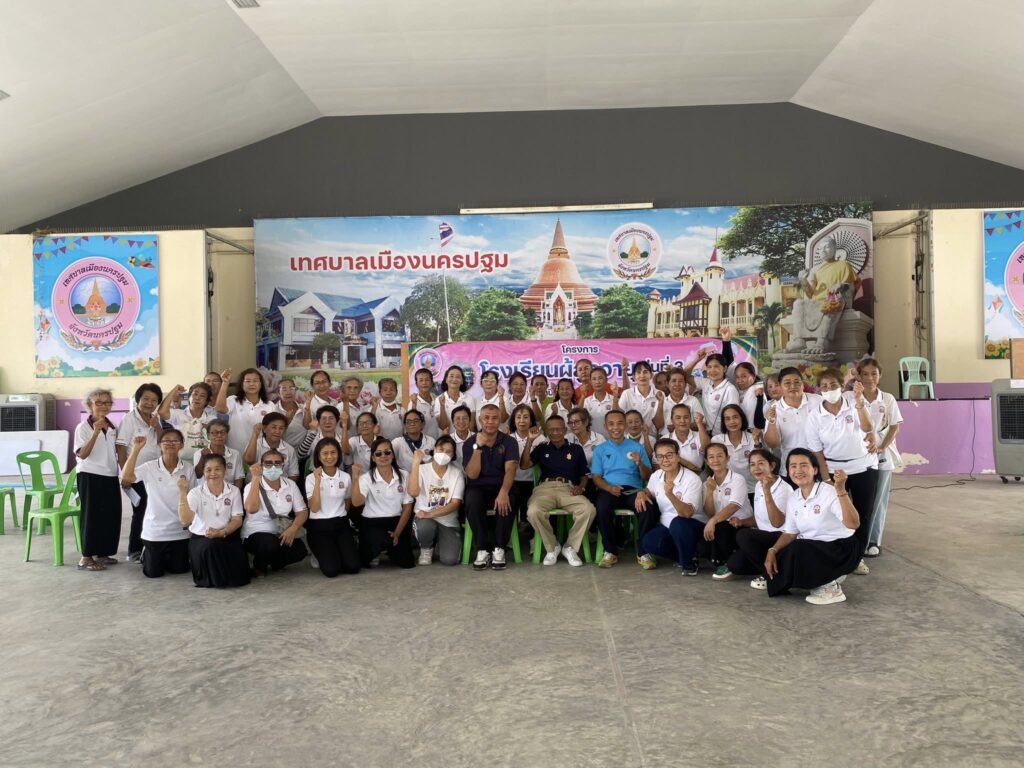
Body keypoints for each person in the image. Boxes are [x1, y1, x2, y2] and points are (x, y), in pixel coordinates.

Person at [763, 449, 860, 605]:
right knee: (773, 548)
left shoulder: (830, 492)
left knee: (798, 547)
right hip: (812, 547)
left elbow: (854, 524)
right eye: (793, 466)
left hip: (840, 549)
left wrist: (841, 490)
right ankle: (814, 578)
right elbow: (790, 533)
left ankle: (831, 587)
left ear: (814, 470)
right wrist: (772, 550)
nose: (798, 470)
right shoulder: (794, 497)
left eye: (804, 465)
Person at [804, 369, 877, 575]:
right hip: (833, 470)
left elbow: (867, 427)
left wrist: (859, 402)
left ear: (842, 386)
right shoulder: (815, 416)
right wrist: (825, 478)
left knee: (862, 514)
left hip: (863, 466)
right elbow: (817, 451)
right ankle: (840, 556)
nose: (829, 389)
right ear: (819, 390)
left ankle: (857, 557)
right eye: (824, 386)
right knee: (837, 515)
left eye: (834, 385)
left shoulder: (854, 402)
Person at [520, 415, 594, 567]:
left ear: (565, 430)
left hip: (569, 489)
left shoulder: (575, 449)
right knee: (533, 511)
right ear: (547, 431)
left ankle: (570, 547)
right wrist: (530, 441)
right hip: (545, 489)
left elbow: (584, 475)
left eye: (558, 429)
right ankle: (552, 547)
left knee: (588, 510)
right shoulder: (542, 448)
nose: (555, 433)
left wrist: (581, 487)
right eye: (551, 430)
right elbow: (524, 465)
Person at [121, 430, 194, 578]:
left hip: (180, 531)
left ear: (181, 445)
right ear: (159, 445)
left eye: (175, 441)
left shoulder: (188, 468)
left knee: (179, 569)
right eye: (166, 441)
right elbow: (127, 478)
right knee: (153, 573)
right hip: (155, 531)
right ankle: (146, 553)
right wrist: (135, 449)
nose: (171, 444)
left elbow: (192, 498)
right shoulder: (149, 467)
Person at [592, 410, 653, 568]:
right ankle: (610, 551)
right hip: (609, 489)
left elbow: (648, 476)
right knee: (601, 507)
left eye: (620, 423)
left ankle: (643, 552)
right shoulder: (600, 449)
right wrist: (608, 488)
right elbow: (596, 477)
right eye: (611, 424)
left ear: (625, 425)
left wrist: (639, 463)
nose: (616, 427)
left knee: (647, 507)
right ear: (605, 426)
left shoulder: (637, 447)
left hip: (634, 491)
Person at [178, 454, 250, 588]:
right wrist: (182, 492)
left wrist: (222, 532)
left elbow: (237, 519)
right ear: (203, 472)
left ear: (225, 470)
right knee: (211, 546)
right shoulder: (195, 493)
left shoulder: (234, 491)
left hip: (227, 535)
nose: (213, 473)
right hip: (202, 538)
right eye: (208, 470)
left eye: (217, 469)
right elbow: (185, 520)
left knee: (238, 577)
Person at [634, 438, 704, 575]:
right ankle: (686, 557)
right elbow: (649, 491)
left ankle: (688, 564)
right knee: (648, 542)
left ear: (678, 456)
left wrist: (670, 494)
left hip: (691, 524)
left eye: (669, 455)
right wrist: (641, 493)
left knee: (678, 523)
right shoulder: (657, 475)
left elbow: (687, 513)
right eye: (660, 456)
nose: (665, 460)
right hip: (668, 525)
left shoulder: (692, 479)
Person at [463, 404, 520, 571]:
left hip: (502, 485)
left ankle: (499, 548)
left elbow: (510, 470)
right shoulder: (470, 443)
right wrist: (478, 448)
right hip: (478, 487)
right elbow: (472, 475)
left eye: (494, 418)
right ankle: (482, 549)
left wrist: (503, 492)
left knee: (509, 499)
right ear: (480, 420)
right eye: (486, 418)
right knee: (472, 499)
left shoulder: (509, 442)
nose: (490, 422)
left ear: (500, 420)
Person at [857, 358, 903, 557]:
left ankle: (874, 541)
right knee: (859, 500)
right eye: (865, 374)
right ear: (859, 376)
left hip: (882, 456)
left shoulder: (887, 399)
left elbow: (894, 427)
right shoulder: (852, 398)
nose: (870, 378)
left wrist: (882, 447)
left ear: (880, 375)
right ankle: (857, 542)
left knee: (879, 500)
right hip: (858, 457)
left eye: (874, 374)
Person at [728, 449, 792, 588]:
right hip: (764, 538)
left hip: (781, 538)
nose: (756, 468)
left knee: (744, 536)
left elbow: (777, 523)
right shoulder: (759, 484)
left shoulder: (783, 489)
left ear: (772, 466)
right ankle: (776, 568)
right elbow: (760, 518)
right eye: (752, 464)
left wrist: (767, 491)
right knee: (735, 565)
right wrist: (742, 522)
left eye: (761, 463)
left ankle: (770, 576)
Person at [116, 382, 164, 563]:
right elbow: (121, 448)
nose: (149, 403)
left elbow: (162, 443)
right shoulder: (129, 419)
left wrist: (157, 426)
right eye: (146, 399)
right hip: (135, 474)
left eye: (154, 400)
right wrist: (124, 474)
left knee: (153, 509)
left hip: (154, 473)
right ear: (138, 400)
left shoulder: (155, 418)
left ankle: (149, 546)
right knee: (141, 509)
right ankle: (134, 550)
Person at [74, 388, 120, 571]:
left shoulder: (112, 426)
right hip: (90, 474)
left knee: (109, 515)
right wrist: (95, 432)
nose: (104, 406)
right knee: (91, 517)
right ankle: (86, 557)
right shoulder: (83, 427)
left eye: (108, 402)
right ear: (89, 405)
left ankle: (102, 552)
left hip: (110, 474)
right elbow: (83, 454)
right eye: (99, 402)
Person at [350, 438, 415, 569]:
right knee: (368, 558)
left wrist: (397, 533)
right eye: (378, 454)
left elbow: (407, 507)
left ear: (393, 455)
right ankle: (376, 549)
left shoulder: (404, 475)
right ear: (373, 458)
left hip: (397, 521)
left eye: (387, 452)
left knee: (407, 563)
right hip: (372, 522)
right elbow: (356, 503)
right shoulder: (366, 478)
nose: (383, 456)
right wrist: (355, 478)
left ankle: (388, 549)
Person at [242, 449, 308, 575]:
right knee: (270, 544)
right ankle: (259, 567)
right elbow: (251, 508)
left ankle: (275, 563)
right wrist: (255, 478)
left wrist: (292, 529)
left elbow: (302, 512)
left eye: (277, 463)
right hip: (256, 533)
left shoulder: (290, 485)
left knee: (300, 550)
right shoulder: (251, 486)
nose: (273, 467)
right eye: (268, 463)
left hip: (280, 531)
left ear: (282, 466)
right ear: (261, 466)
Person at [305, 438, 360, 577]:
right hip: (319, 526)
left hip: (340, 523)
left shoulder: (345, 477)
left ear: (339, 454)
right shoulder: (311, 478)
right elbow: (314, 508)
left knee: (353, 567)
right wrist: (318, 481)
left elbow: (347, 502)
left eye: (333, 452)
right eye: (325, 453)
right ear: (318, 456)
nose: (329, 457)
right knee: (332, 570)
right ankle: (319, 553)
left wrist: (341, 517)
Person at [408, 436, 464, 566]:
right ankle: (426, 548)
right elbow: (413, 492)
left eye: (448, 451)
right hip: (424, 519)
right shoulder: (421, 470)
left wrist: (429, 514)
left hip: (448, 521)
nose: (444, 454)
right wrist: (416, 463)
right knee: (426, 527)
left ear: (453, 455)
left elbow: (455, 503)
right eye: (441, 449)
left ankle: (441, 543)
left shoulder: (457, 473)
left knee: (450, 560)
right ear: (434, 449)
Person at [700, 443, 753, 578]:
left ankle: (726, 564)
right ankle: (722, 561)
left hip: (740, 525)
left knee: (721, 526)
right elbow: (710, 513)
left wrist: (713, 521)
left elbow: (734, 506)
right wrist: (710, 491)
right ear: (706, 461)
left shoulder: (737, 479)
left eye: (719, 456)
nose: (715, 460)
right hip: (720, 527)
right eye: (711, 457)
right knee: (701, 544)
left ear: (727, 458)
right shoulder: (707, 484)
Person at [763, 366, 822, 478]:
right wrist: (771, 422)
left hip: (818, 466)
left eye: (796, 382)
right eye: (787, 383)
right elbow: (772, 444)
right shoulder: (774, 409)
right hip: (791, 470)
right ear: (780, 386)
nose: (793, 386)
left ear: (802, 384)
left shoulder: (818, 401)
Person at [683, 329, 738, 436]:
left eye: (717, 366)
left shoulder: (730, 389)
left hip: (725, 436)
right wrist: (697, 359)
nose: (713, 370)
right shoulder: (706, 383)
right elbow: (684, 376)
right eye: (709, 367)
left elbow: (733, 416)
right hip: (708, 434)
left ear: (724, 368)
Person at [215, 367, 281, 455]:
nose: (252, 384)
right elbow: (220, 408)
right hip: (235, 453)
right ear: (242, 384)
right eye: (248, 381)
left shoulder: (270, 405)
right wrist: (225, 382)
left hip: (261, 453)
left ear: (261, 384)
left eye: (255, 381)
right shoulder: (234, 400)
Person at [509, 404, 545, 535]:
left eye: (525, 417)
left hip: (533, 482)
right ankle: (511, 535)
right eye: (518, 417)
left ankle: (530, 534)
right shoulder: (508, 438)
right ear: (513, 420)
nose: (522, 421)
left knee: (531, 500)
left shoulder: (540, 438)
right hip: (512, 481)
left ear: (531, 420)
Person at [708, 405, 758, 499]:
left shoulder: (753, 438)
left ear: (742, 418)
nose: (732, 422)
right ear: (723, 422)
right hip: (727, 491)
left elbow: (760, 462)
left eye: (735, 417)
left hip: (752, 489)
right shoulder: (717, 440)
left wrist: (757, 444)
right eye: (727, 419)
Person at [158, 382, 216, 462]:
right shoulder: (178, 414)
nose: (197, 398)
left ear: (206, 401)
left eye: (202, 396)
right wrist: (173, 391)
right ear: (189, 397)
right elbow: (162, 412)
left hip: (204, 461)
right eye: (195, 394)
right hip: (181, 462)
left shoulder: (211, 419)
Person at [243, 412, 299, 483]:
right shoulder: (255, 444)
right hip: (255, 485)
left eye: (281, 428)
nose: (277, 431)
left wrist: (287, 487)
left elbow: (293, 474)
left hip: (281, 486)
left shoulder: (289, 449)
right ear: (264, 428)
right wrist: (255, 434)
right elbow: (249, 461)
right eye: (274, 427)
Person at [616, 359, 665, 436]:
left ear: (651, 375)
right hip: (631, 438)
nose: (642, 375)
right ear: (634, 377)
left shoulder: (660, 394)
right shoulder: (627, 393)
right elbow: (619, 417)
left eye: (645, 372)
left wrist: (660, 402)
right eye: (639, 372)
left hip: (652, 437)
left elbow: (659, 424)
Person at [192, 420, 243, 490]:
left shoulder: (235, 454)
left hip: (229, 492)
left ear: (227, 435)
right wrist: (203, 458)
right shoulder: (199, 453)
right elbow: (197, 475)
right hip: (205, 492)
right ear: (208, 436)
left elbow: (239, 479)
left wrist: (233, 493)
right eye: (215, 433)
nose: (219, 435)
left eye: (222, 432)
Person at [298, 404, 344, 470]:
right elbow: (300, 455)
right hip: (315, 473)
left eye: (331, 418)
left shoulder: (343, 439)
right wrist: (313, 433)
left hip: (339, 474)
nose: (327, 422)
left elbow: (347, 462)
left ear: (337, 421)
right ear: (318, 422)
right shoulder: (313, 436)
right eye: (324, 418)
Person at [663, 403, 706, 471]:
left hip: (696, 476)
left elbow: (706, 448)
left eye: (686, 417)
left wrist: (699, 424)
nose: (682, 421)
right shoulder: (664, 440)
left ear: (690, 419)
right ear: (672, 420)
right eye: (678, 418)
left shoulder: (699, 436)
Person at [436, 365, 477, 433]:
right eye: (451, 376)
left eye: (458, 377)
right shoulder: (439, 399)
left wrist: (467, 438)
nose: (454, 379)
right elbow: (443, 427)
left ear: (462, 381)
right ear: (446, 380)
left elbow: (471, 425)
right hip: (447, 438)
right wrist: (442, 407)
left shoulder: (469, 398)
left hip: (466, 438)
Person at [583, 367, 616, 439]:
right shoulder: (586, 402)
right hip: (592, 442)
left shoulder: (614, 399)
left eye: (600, 378)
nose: (597, 382)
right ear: (590, 382)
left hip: (611, 441)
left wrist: (615, 397)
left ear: (606, 380)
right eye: (594, 379)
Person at [408, 367, 441, 439]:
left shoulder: (438, 400)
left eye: (427, 380)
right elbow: (411, 424)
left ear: (432, 382)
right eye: (421, 380)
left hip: (437, 441)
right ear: (416, 384)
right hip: (422, 443)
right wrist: (414, 405)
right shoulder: (414, 402)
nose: (424, 383)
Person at [277, 378, 308, 448]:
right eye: (284, 389)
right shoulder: (274, 411)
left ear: (295, 391)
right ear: (278, 393)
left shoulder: (302, 408)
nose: (288, 392)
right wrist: (286, 422)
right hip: (284, 451)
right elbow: (272, 436)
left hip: (305, 450)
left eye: (291, 389)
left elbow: (309, 428)